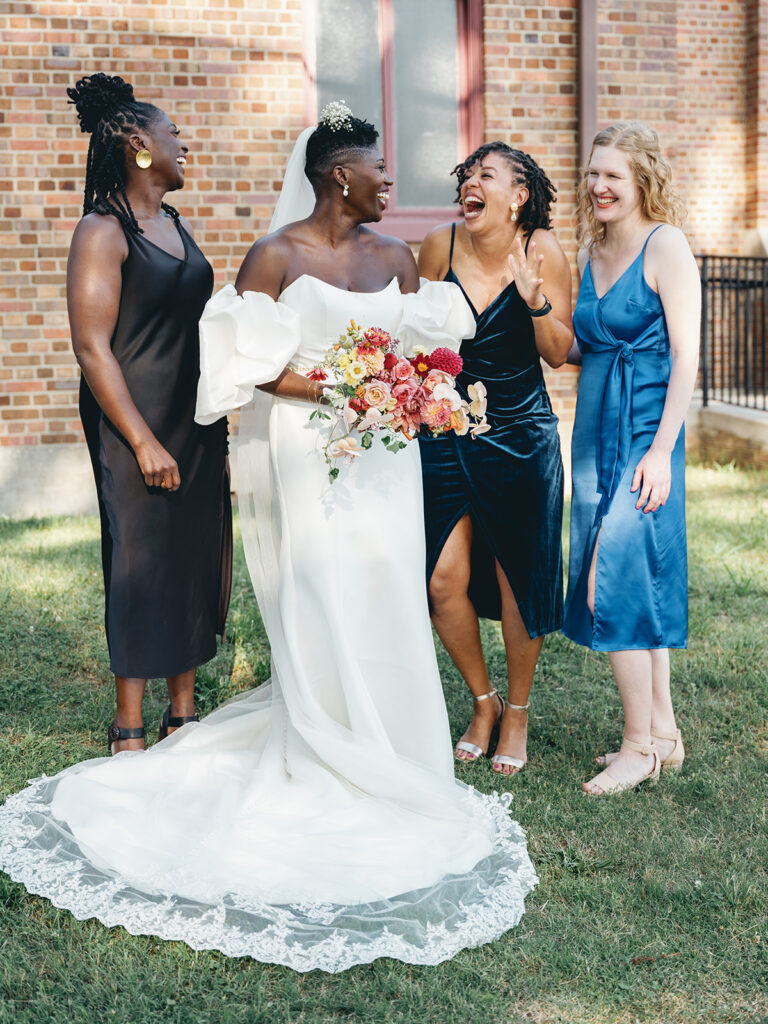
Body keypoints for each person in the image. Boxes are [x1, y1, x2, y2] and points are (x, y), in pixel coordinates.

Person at [0, 104, 537, 973]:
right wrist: (341, 384)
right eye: (376, 166)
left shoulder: (397, 257)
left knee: (383, 591)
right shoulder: (276, 256)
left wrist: (406, 385)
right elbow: (242, 365)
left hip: (386, 454)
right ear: (337, 177)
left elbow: (436, 344)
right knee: (320, 588)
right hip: (312, 446)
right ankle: (315, 729)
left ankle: (392, 743)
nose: (389, 180)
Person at [63, 74, 231, 753]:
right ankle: (128, 721)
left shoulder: (175, 224)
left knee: (189, 551)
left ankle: (183, 711)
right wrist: (142, 442)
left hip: (192, 418)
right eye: (173, 137)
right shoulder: (103, 230)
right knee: (138, 557)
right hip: (133, 419)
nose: (183, 145)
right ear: (138, 146)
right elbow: (91, 346)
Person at [418, 142, 573, 775]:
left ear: (520, 196)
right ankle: (481, 701)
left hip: (521, 437)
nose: (470, 185)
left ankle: (517, 712)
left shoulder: (542, 250)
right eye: (467, 176)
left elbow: (560, 352)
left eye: (488, 176)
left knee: (517, 585)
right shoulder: (438, 247)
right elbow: (420, 339)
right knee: (441, 581)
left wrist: (534, 299)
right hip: (446, 434)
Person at [563, 122, 700, 795]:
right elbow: (576, 347)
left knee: (609, 582)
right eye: (593, 174)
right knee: (636, 586)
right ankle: (666, 733)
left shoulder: (665, 245)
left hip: (647, 437)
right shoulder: (591, 248)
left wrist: (662, 452)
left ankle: (638, 746)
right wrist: (529, 301)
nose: (599, 186)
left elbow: (687, 357)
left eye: (612, 175)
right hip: (594, 437)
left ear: (642, 179)